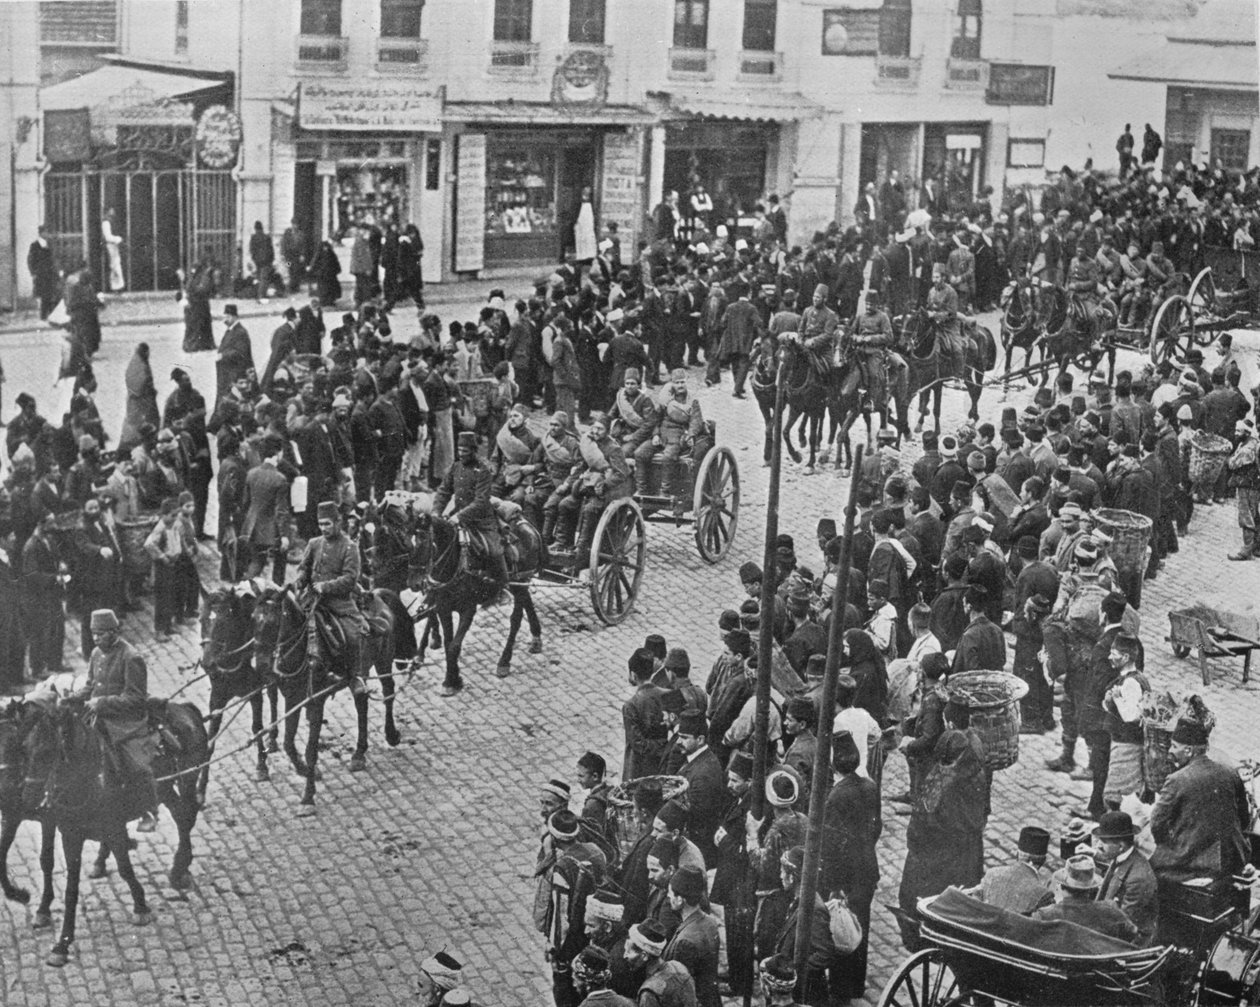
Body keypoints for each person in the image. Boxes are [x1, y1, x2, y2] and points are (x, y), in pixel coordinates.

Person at [897, 701, 988, 951]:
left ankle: (921, 941)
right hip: (968, 848)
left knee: (916, 897)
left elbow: (920, 825)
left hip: (935, 854)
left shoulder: (941, 782)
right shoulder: (975, 757)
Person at [72, 608, 158, 828]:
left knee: (138, 765)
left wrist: (101, 703)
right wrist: (74, 698)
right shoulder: (96, 654)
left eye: (100, 634)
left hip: (126, 722)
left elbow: (136, 698)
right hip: (97, 717)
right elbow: (91, 685)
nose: (96, 639)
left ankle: (148, 809)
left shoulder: (131, 657)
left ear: (113, 632)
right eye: (94, 634)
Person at [820, 730, 881, 1001]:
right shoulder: (870, 786)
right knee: (861, 926)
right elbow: (877, 826)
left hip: (844, 877)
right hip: (866, 869)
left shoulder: (836, 797)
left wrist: (833, 884)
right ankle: (856, 983)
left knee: (842, 929)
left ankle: (841, 989)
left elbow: (832, 845)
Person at [293, 501, 368, 696]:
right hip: (311, 600)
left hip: (339, 602)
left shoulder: (350, 547)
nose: (324, 528)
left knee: (352, 634)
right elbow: (304, 567)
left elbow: (351, 579)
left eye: (327, 524)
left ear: (337, 522)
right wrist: (301, 578)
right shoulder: (314, 543)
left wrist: (326, 586)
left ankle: (355, 675)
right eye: (321, 524)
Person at [433, 431, 510, 605]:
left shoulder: (483, 470)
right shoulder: (456, 467)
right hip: (458, 517)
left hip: (482, 520)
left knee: (493, 549)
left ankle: (502, 586)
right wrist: (436, 512)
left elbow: (481, 501)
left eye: (465, 451)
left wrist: (459, 516)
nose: (462, 454)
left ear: (474, 451)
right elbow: (444, 491)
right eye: (459, 450)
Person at [1032, 854, 1139, 943]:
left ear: (1061, 887)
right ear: (1091, 889)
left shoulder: (1045, 915)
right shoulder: (1111, 911)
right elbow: (1132, 932)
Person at [1094, 810, 1158, 946]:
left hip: (1133, 941)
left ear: (1121, 846)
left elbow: (1125, 925)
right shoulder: (1122, 855)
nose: (1098, 845)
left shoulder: (1138, 878)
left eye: (1104, 841)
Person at [662, 866, 720, 1007]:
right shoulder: (710, 922)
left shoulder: (684, 942)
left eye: (670, 893)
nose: (668, 897)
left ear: (681, 899)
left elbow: (682, 989)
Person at [963, 825, 1053, 914]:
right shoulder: (1043, 893)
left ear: (1017, 854)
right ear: (1043, 860)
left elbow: (975, 896)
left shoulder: (992, 873)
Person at [239, 434, 291, 584]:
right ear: (278, 452)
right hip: (271, 530)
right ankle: (277, 593)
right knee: (280, 563)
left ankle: (243, 590)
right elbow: (281, 510)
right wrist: (284, 535)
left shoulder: (251, 473)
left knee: (256, 562)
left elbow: (246, 503)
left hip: (252, 527)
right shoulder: (280, 478)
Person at [21, 509, 66, 679]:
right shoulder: (31, 546)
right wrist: (55, 579)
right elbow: (31, 575)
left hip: (52, 594)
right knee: (39, 632)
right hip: (38, 597)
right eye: (50, 522)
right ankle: (37, 668)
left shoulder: (49, 540)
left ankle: (55, 662)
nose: (54, 525)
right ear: (41, 524)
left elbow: (57, 557)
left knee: (57, 627)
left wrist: (61, 564)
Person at [624, 920, 697, 1007]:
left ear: (644, 956)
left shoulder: (649, 992)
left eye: (629, 951)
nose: (625, 956)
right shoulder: (679, 967)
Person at [215, 304, 255, 403]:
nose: (225, 320)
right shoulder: (231, 330)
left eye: (227, 317)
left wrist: (223, 355)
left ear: (234, 317)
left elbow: (240, 352)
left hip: (235, 374)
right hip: (227, 373)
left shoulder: (240, 332)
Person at [27, 225, 60, 320]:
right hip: (41, 274)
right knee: (44, 295)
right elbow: (31, 260)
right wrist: (33, 273)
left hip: (50, 273)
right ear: (41, 233)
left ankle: (51, 315)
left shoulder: (49, 244)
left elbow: (53, 259)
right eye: (45, 232)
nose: (47, 234)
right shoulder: (35, 245)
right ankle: (43, 316)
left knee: (51, 295)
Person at [102, 207, 125, 292]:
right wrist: (118, 239)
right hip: (111, 245)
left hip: (113, 246)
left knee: (115, 265)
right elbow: (108, 237)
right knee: (115, 266)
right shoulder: (106, 222)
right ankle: (117, 286)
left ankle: (117, 286)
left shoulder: (110, 221)